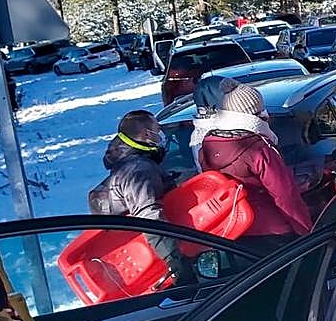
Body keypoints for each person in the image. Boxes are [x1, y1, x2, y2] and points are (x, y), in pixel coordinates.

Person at [197, 84, 312, 254]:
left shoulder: (207, 145)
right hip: (275, 231)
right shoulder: (260, 149)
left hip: (235, 230)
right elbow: (285, 195)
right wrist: (305, 231)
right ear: (255, 113)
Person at [89, 111, 191, 281]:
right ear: (146, 134)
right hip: (151, 256)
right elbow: (149, 217)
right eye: (157, 130)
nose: (161, 134)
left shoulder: (131, 161)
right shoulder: (138, 170)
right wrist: (176, 262)